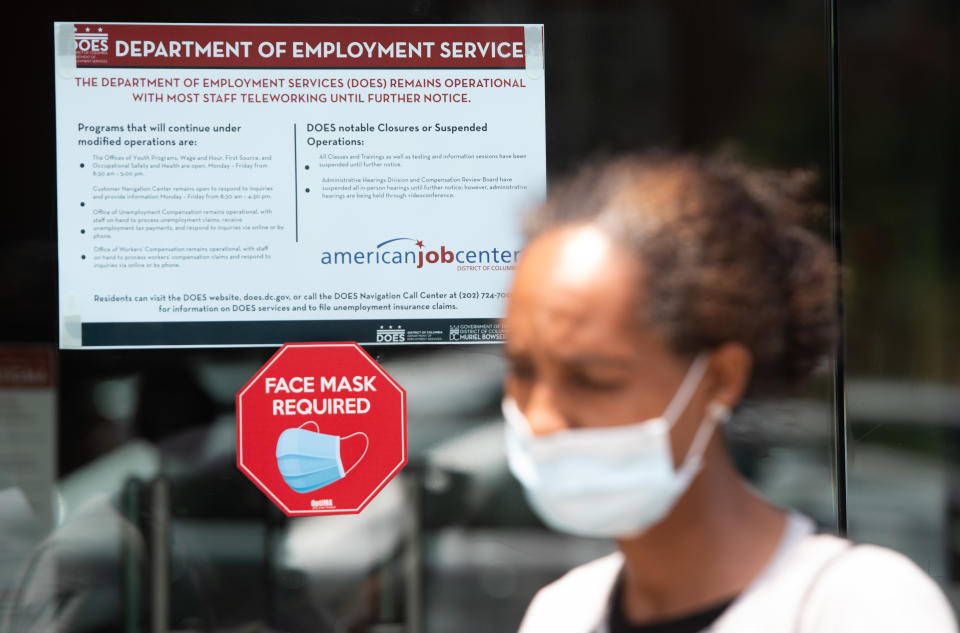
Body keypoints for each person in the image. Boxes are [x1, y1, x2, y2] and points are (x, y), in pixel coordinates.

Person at [500, 152, 957, 633]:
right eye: (523, 370)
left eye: (595, 379)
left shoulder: (860, 607)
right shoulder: (563, 613)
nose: (541, 417)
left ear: (719, 379)